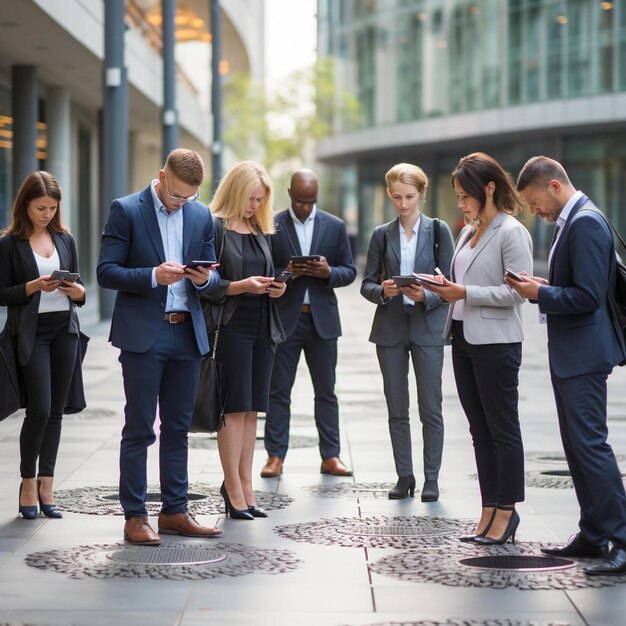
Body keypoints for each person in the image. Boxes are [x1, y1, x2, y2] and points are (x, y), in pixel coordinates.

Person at [97, 148, 223, 545]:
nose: (183, 203)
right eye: (177, 196)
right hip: (143, 335)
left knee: (178, 428)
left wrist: (203, 280)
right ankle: (135, 516)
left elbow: (213, 279)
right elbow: (106, 272)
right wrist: (152, 275)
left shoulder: (201, 215)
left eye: (190, 197)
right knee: (139, 428)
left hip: (187, 334)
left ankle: (175, 510)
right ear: (161, 177)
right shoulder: (127, 210)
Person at [508, 155, 626, 575]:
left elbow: (589, 297)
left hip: (585, 354)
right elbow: (577, 287)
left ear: (554, 186)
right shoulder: (574, 221)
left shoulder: (586, 223)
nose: (534, 210)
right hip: (573, 352)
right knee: (579, 449)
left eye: (535, 201)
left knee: (591, 447)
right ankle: (594, 534)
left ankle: (622, 538)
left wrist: (539, 295)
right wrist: (543, 286)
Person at [422, 152, 532, 543]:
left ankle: (507, 511)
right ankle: (488, 509)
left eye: (465, 196)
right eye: (457, 197)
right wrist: (438, 288)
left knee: (503, 428)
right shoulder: (468, 232)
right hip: (465, 339)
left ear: (488, 188)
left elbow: (515, 293)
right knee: (478, 430)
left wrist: (464, 291)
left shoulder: (511, 231)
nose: (461, 204)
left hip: (498, 344)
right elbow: (461, 281)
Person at [361, 163, 454, 501]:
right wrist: (383, 291)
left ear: (421, 194)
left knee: (431, 406)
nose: (403, 204)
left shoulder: (440, 231)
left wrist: (426, 295)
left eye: (410, 197)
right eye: (397, 197)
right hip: (390, 328)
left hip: (428, 327)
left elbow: (450, 286)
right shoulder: (381, 234)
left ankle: (432, 478)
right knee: (397, 407)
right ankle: (405, 476)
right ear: (389, 194)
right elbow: (367, 283)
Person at [201, 161, 286, 520]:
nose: (255, 206)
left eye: (260, 199)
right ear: (236, 192)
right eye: (251, 198)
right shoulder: (214, 227)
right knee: (233, 409)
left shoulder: (260, 228)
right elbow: (202, 283)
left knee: (252, 410)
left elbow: (267, 273)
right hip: (231, 327)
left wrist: (275, 288)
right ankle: (232, 486)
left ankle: (246, 487)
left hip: (262, 325)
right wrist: (241, 286)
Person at [261, 169, 357, 478]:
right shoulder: (272, 224)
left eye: (311, 201)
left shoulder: (335, 225)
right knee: (278, 391)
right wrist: (287, 272)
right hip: (285, 319)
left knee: (326, 391)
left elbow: (349, 271)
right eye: (300, 201)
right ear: (289, 194)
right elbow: (265, 269)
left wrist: (327, 272)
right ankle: (275, 456)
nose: (305, 207)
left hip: (322, 322)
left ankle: (331, 456)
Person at [0, 171, 85, 519]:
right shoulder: (9, 243)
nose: (47, 214)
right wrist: (33, 287)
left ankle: (48, 485)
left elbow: (79, 290)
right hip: (31, 334)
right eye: (40, 207)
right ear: (26, 206)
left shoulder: (65, 239)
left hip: (65, 330)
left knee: (56, 412)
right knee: (40, 409)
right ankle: (27, 482)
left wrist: (78, 294)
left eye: (52, 207)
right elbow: (2, 293)